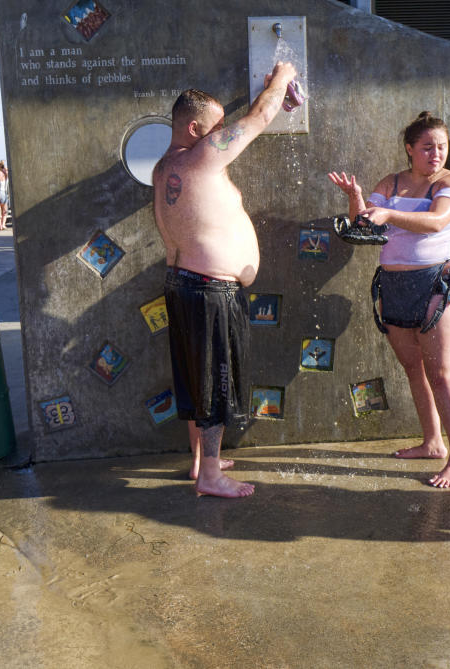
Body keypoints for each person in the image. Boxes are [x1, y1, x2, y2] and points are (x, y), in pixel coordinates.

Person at [151, 61, 297, 498]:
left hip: (183, 284)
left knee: (197, 378)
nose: (225, 134)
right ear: (197, 130)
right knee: (214, 382)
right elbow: (259, 119)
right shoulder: (202, 157)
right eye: (218, 127)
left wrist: (267, 89)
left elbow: (247, 121)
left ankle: (202, 460)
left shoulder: (165, 168)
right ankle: (211, 476)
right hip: (209, 290)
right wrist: (284, 76)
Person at [327, 111, 450, 488]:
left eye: (441, 147)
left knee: (441, 373)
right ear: (410, 149)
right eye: (427, 147)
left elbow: (438, 221)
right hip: (393, 285)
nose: (436, 154)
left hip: (438, 283)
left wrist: (389, 212)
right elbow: (364, 225)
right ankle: (432, 442)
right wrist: (357, 199)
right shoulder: (390, 183)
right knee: (413, 369)